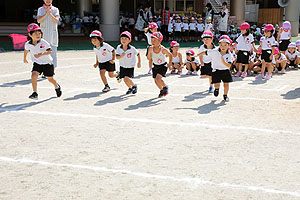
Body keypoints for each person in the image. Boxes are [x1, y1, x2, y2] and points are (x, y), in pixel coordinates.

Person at [23, 23, 62, 99]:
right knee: (33, 76)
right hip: (37, 63)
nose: (38, 35)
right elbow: (26, 50)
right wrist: (24, 58)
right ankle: (35, 93)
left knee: (50, 79)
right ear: (30, 35)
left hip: (47, 64)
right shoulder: (28, 44)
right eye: (35, 33)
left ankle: (57, 86)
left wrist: (40, 54)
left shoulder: (43, 42)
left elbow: (50, 51)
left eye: (39, 33)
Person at [197, 35, 233, 102]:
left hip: (225, 71)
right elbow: (205, 52)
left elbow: (229, 66)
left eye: (225, 45)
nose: (223, 47)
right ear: (219, 44)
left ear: (229, 45)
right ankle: (216, 89)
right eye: (221, 45)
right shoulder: (214, 51)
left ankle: (225, 95)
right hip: (216, 70)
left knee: (226, 84)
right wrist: (197, 55)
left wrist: (223, 61)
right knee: (216, 84)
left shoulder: (229, 54)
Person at [147, 32, 172, 98]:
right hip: (155, 66)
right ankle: (161, 90)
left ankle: (165, 86)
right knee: (155, 80)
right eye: (152, 40)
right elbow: (149, 58)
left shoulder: (162, 49)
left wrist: (169, 64)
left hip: (163, 66)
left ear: (160, 41)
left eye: (155, 40)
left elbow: (170, 55)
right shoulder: (151, 49)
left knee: (158, 79)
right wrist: (149, 52)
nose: (153, 42)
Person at [37, 0, 60, 68]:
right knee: (43, 52)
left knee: (53, 53)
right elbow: (39, 20)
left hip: (53, 34)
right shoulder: (40, 9)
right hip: (43, 34)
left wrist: (50, 13)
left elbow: (56, 21)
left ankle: (52, 70)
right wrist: (46, 14)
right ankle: (44, 70)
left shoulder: (55, 9)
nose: (48, 1)